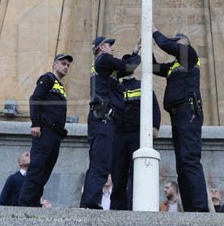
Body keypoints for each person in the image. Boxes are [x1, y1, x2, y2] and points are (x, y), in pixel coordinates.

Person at [152, 30, 209, 211]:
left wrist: (154, 32)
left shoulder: (190, 56)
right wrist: (145, 47)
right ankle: (191, 208)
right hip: (177, 115)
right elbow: (154, 67)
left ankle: (200, 208)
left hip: (188, 112)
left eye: (179, 42)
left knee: (190, 160)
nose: (177, 45)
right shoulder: (173, 67)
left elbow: (169, 46)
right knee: (182, 165)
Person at [80, 37, 139, 209]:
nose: (112, 49)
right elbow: (126, 66)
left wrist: (134, 53)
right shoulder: (103, 59)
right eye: (109, 46)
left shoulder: (105, 68)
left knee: (100, 161)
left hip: (104, 119)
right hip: (103, 118)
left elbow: (124, 70)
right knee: (101, 161)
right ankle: (91, 202)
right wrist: (138, 56)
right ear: (101, 48)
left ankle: (89, 201)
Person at [18, 53, 73, 207]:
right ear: (54, 64)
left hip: (55, 134)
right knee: (37, 168)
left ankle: (34, 202)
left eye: (68, 65)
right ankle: (25, 204)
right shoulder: (48, 78)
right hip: (45, 132)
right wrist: (35, 123)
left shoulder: (60, 86)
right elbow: (35, 98)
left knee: (45, 171)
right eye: (63, 63)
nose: (66, 67)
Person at [110, 74, 161, 210]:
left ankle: (136, 206)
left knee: (137, 174)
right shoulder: (116, 87)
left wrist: (155, 126)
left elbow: (154, 107)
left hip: (137, 134)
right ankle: (117, 209)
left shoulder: (142, 85)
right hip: (119, 135)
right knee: (118, 174)